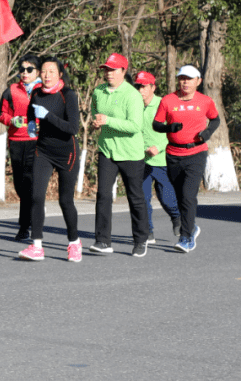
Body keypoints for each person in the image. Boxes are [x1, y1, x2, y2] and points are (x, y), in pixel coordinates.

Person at [18, 56, 82, 262]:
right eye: (43, 71)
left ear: (60, 74)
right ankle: (36, 245)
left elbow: (72, 128)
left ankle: (74, 243)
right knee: (36, 196)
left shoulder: (68, 95)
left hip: (67, 153)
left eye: (51, 72)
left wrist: (47, 116)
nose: (46, 75)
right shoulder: (36, 93)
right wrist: (29, 124)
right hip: (43, 150)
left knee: (65, 200)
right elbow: (30, 111)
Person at [153, 65, 220, 253]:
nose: (185, 82)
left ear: (198, 81)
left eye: (189, 78)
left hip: (196, 154)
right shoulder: (168, 100)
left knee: (188, 196)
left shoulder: (205, 101)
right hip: (173, 154)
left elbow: (215, 120)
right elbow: (156, 124)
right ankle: (191, 227)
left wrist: (207, 133)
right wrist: (169, 128)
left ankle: (186, 237)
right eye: (182, 78)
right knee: (179, 196)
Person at [89, 53, 150, 257]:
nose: (109, 73)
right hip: (107, 150)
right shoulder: (98, 91)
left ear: (124, 71)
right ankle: (103, 240)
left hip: (131, 153)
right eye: (106, 69)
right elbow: (95, 113)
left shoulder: (132, 95)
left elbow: (135, 126)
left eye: (113, 69)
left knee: (135, 197)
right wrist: (97, 122)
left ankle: (141, 239)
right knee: (103, 195)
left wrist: (108, 121)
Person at [0, 55, 42, 242]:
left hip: (37, 142)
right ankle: (30, 214)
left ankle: (25, 227)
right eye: (21, 69)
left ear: (38, 72)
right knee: (20, 185)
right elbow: (0, 113)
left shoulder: (44, 90)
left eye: (29, 69)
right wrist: (10, 120)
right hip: (16, 141)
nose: (24, 73)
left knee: (30, 183)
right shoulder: (11, 90)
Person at [135, 70, 181, 243]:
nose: (140, 90)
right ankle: (148, 232)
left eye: (144, 86)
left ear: (153, 87)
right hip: (141, 160)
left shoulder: (164, 104)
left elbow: (174, 132)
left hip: (161, 160)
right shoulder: (134, 105)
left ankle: (177, 218)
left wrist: (159, 147)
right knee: (143, 198)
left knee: (167, 199)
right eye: (138, 86)